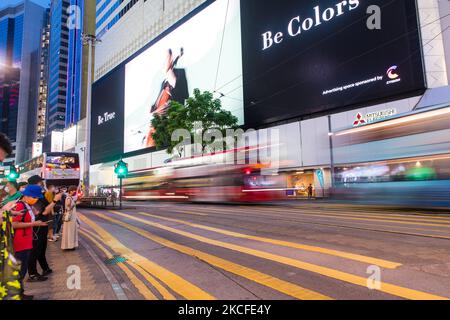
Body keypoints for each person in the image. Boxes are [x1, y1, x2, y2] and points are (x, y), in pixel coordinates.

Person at [22, 185, 62, 282]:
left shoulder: (36, 199)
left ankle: (45, 269)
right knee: (34, 252)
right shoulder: (24, 203)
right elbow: (43, 212)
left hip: (40, 227)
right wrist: (54, 201)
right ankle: (32, 274)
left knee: (40, 250)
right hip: (36, 230)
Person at [11, 200, 48, 300]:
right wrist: (34, 224)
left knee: (22, 271)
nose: (36, 199)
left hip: (26, 242)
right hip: (20, 242)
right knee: (20, 271)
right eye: (35, 196)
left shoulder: (27, 205)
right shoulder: (20, 205)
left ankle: (20, 293)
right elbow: (14, 224)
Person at [61, 186, 79, 251]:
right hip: (70, 217)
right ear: (70, 191)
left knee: (69, 231)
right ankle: (70, 246)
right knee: (70, 231)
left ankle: (69, 246)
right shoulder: (68, 198)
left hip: (71, 217)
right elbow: (68, 207)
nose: (75, 191)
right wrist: (75, 204)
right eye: (74, 190)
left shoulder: (70, 197)